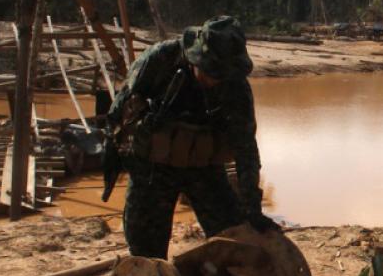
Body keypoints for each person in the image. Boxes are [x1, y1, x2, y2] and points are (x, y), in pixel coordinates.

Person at [104, 15, 278, 260]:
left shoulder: (235, 86)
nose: (214, 80)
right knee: (145, 252)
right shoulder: (160, 59)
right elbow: (118, 111)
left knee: (233, 238)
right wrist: (113, 161)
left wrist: (252, 207)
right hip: (153, 168)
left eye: (221, 74)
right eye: (209, 71)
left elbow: (245, 148)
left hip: (204, 168)